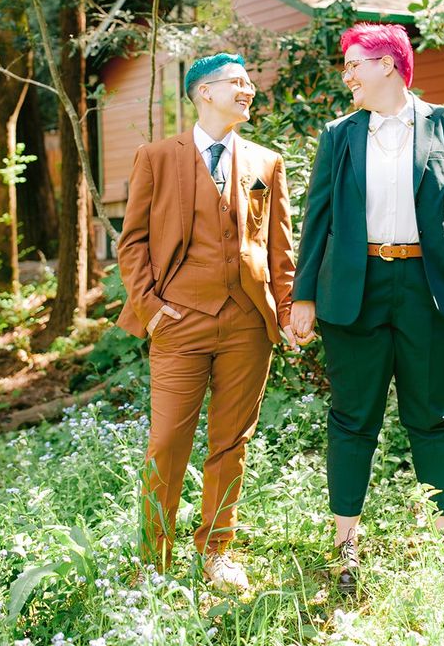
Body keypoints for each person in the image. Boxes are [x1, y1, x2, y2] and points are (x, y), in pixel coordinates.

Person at [290, 23, 444, 593]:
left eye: (354, 64)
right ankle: (345, 546)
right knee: (353, 417)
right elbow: (319, 219)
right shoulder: (340, 134)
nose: (346, 75)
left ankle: (443, 540)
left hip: (429, 288)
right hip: (354, 289)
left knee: (432, 414)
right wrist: (303, 294)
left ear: (388, 65)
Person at [117, 52, 297, 591]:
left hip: (247, 322)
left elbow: (281, 250)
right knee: (168, 440)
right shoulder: (156, 156)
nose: (248, 91)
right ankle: (154, 558)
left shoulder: (266, 163)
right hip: (179, 322)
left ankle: (217, 551)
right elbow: (133, 244)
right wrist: (152, 311)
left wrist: (286, 311)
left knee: (231, 442)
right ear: (203, 93)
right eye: (237, 84)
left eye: (249, 84)